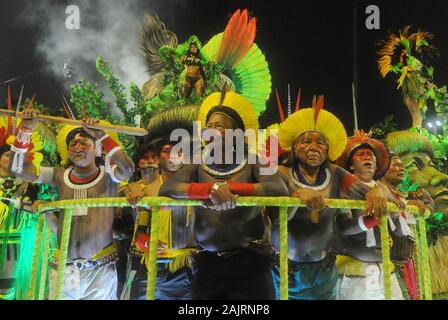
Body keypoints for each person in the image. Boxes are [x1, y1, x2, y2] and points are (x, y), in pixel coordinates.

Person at [159, 91, 289, 299]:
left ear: (236, 133)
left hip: (250, 261)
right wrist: (208, 191)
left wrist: (231, 189)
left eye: (218, 126)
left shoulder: (254, 161)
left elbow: (278, 189)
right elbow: (168, 188)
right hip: (207, 264)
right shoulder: (196, 162)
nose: (209, 130)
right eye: (208, 125)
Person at [9, 108, 134, 300]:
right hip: (65, 271)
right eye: (73, 143)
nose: (78, 147)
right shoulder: (59, 176)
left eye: (85, 142)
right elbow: (17, 168)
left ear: (97, 148)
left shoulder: (108, 176)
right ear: (68, 150)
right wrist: (25, 129)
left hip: (99, 271)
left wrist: (102, 135)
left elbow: (127, 169)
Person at [271, 96, 388, 300]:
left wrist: (375, 192)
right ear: (294, 148)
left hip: (324, 271)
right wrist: (297, 198)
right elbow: (273, 218)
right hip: (286, 270)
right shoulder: (280, 173)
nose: (314, 147)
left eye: (320, 143)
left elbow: (361, 192)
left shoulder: (336, 173)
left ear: (327, 151)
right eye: (306, 141)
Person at [122, 109, 199, 300]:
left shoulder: (196, 186)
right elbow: (140, 230)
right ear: (158, 158)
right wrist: (147, 243)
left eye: (179, 151)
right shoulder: (147, 190)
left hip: (185, 269)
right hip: (150, 268)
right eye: (167, 151)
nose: (174, 154)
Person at [334, 131, 419, 300]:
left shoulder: (384, 188)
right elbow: (343, 227)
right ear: (351, 165)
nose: (367, 157)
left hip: (385, 266)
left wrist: (403, 211)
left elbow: (399, 227)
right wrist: (371, 220)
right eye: (361, 154)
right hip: (355, 269)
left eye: (370, 154)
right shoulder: (343, 187)